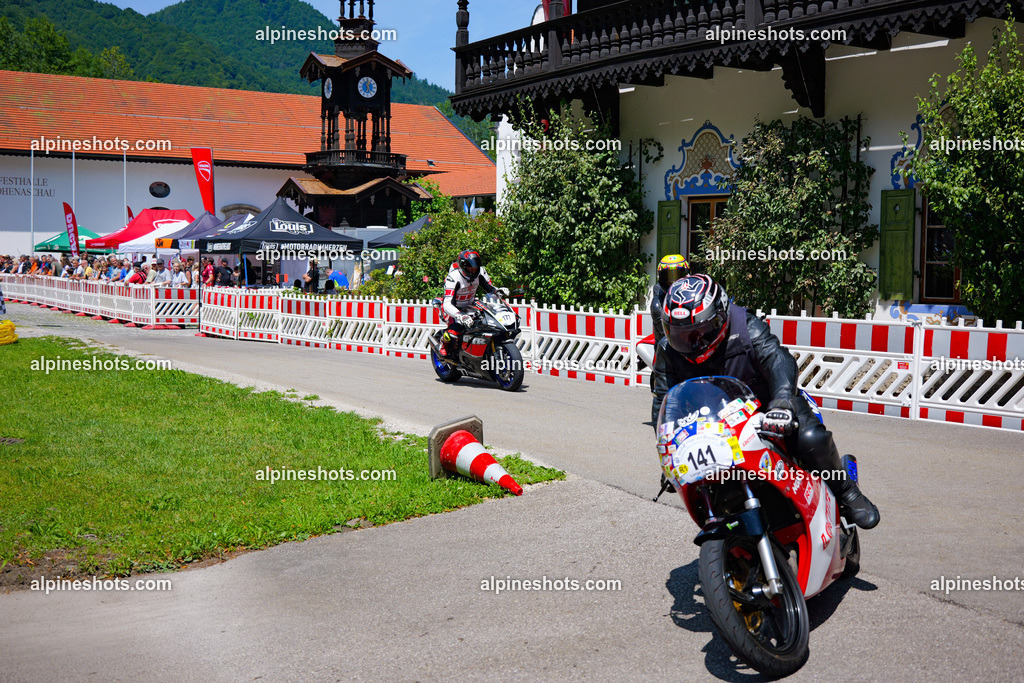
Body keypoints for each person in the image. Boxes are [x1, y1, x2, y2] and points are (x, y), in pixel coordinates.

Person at [651, 274, 880, 529]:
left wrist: (782, 401)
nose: (692, 343)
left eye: (700, 332)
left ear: (720, 316)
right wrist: (669, 451)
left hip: (768, 409)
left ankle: (846, 491)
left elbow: (777, 359)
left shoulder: (745, 326)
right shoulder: (667, 352)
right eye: (681, 335)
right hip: (715, 425)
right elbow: (664, 400)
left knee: (809, 438)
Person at [438, 249, 498, 358]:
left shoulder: (480, 272)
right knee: (455, 330)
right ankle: (444, 343)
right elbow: (447, 303)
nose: (473, 271)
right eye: (470, 268)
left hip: (470, 306)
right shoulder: (453, 277)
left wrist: (498, 291)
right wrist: (459, 315)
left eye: (475, 268)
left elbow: (489, 288)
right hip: (453, 308)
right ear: (463, 266)